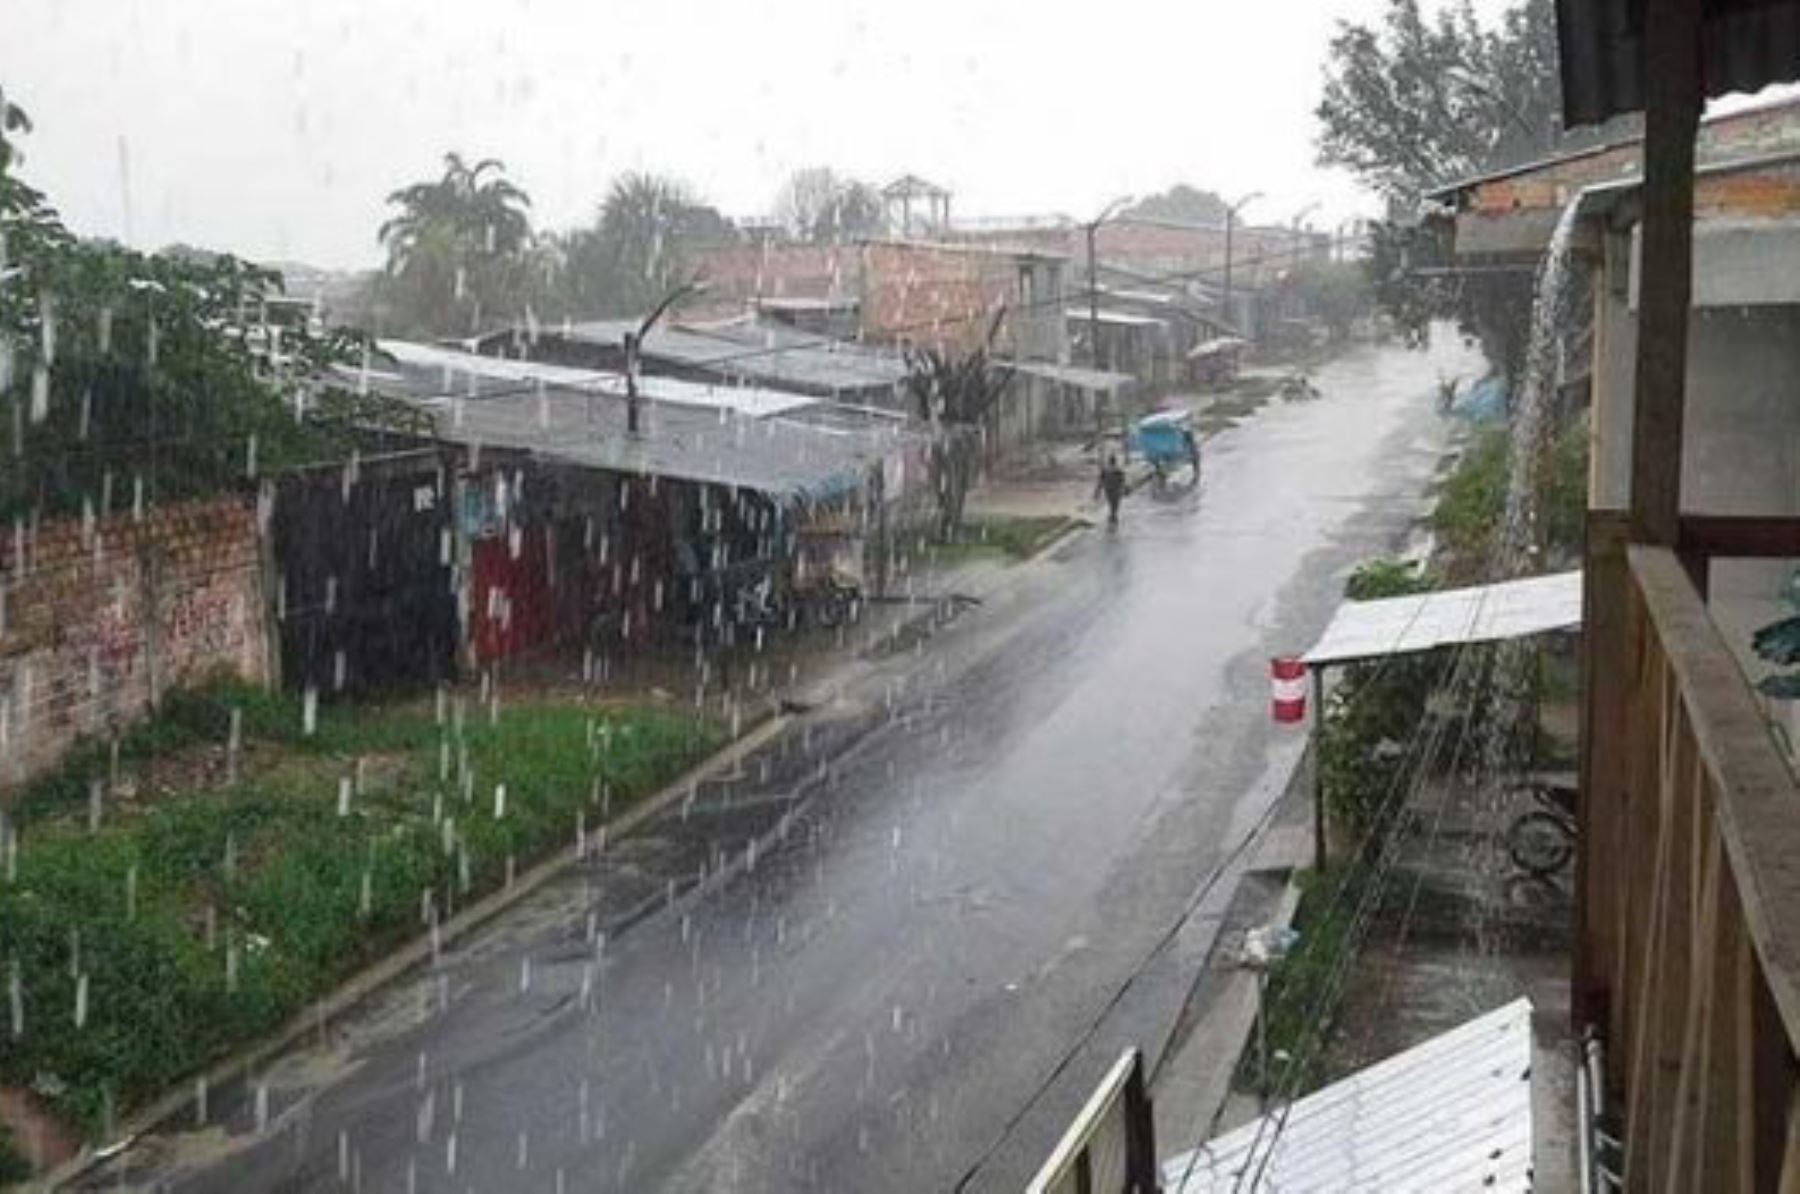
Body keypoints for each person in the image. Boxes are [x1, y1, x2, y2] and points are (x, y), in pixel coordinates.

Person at [1096, 454, 1127, 528]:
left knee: (1111, 502)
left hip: (1108, 489)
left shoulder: (1105, 470)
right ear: (1115, 461)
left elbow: (1101, 480)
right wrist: (1125, 488)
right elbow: (1122, 480)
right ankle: (1113, 515)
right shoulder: (1118, 470)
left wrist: (1098, 491)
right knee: (1115, 503)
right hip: (1116, 489)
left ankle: (1112, 515)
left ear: (1109, 461)